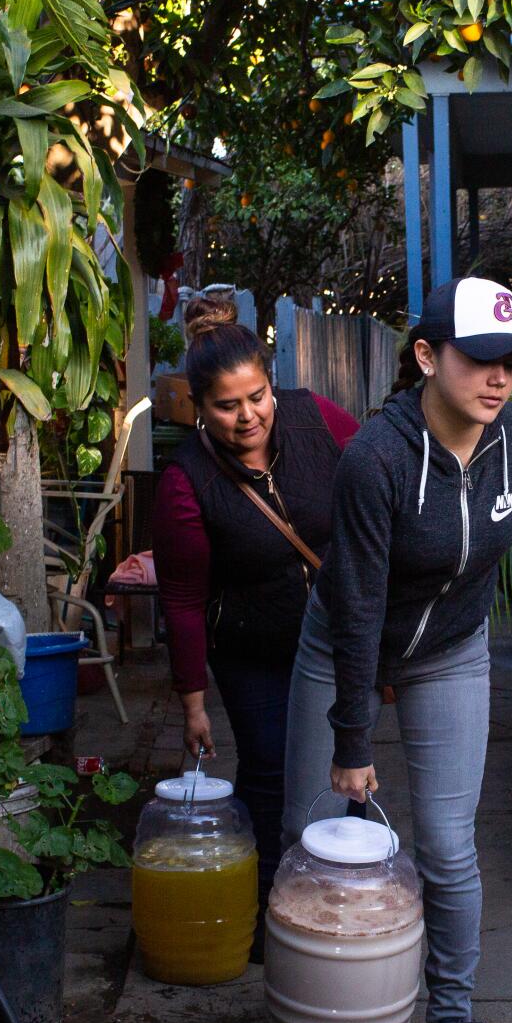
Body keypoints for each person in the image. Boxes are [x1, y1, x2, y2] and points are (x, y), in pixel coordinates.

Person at [283, 276, 512, 1023]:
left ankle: (450, 1016)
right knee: (313, 835)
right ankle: (315, 1012)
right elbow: (361, 602)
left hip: (449, 648)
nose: (500, 377)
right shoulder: (377, 458)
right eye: (480, 359)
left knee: (446, 845)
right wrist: (353, 740)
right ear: (427, 357)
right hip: (343, 645)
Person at [153, 297, 360, 951]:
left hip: (332, 640)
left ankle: (339, 898)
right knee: (269, 771)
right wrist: (192, 699)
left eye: (257, 396)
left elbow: (375, 476)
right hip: (252, 650)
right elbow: (182, 598)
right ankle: (269, 922)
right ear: (198, 405)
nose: (248, 416)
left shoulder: (314, 418)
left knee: (344, 766)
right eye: (227, 404)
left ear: (273, 385)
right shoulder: (187, 481)